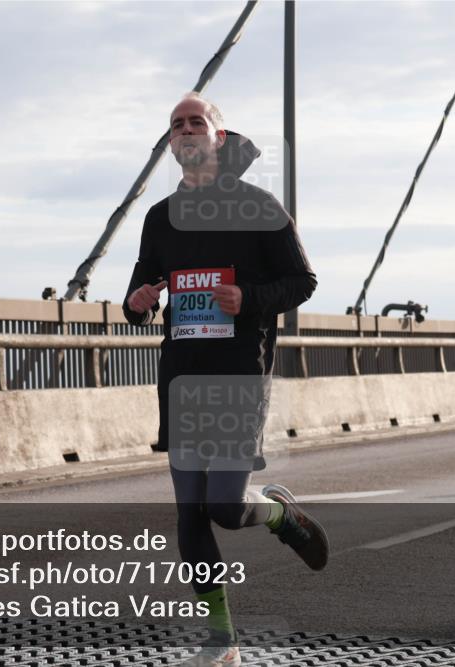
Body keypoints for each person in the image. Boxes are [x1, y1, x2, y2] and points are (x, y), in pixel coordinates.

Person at [122, 92, 329, 667]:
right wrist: (137, 302)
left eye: (196, 122)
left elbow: (303, 281)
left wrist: (248, 299)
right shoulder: (160, 218)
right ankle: (223, 642)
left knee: (224, 508)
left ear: (218, 136)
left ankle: (281, 513)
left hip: (239, 375)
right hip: (182, 378)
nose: (186, 130)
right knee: (189, 513)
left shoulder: (260, 207)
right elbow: (138, 295)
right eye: (176, 125)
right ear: (171, 144)